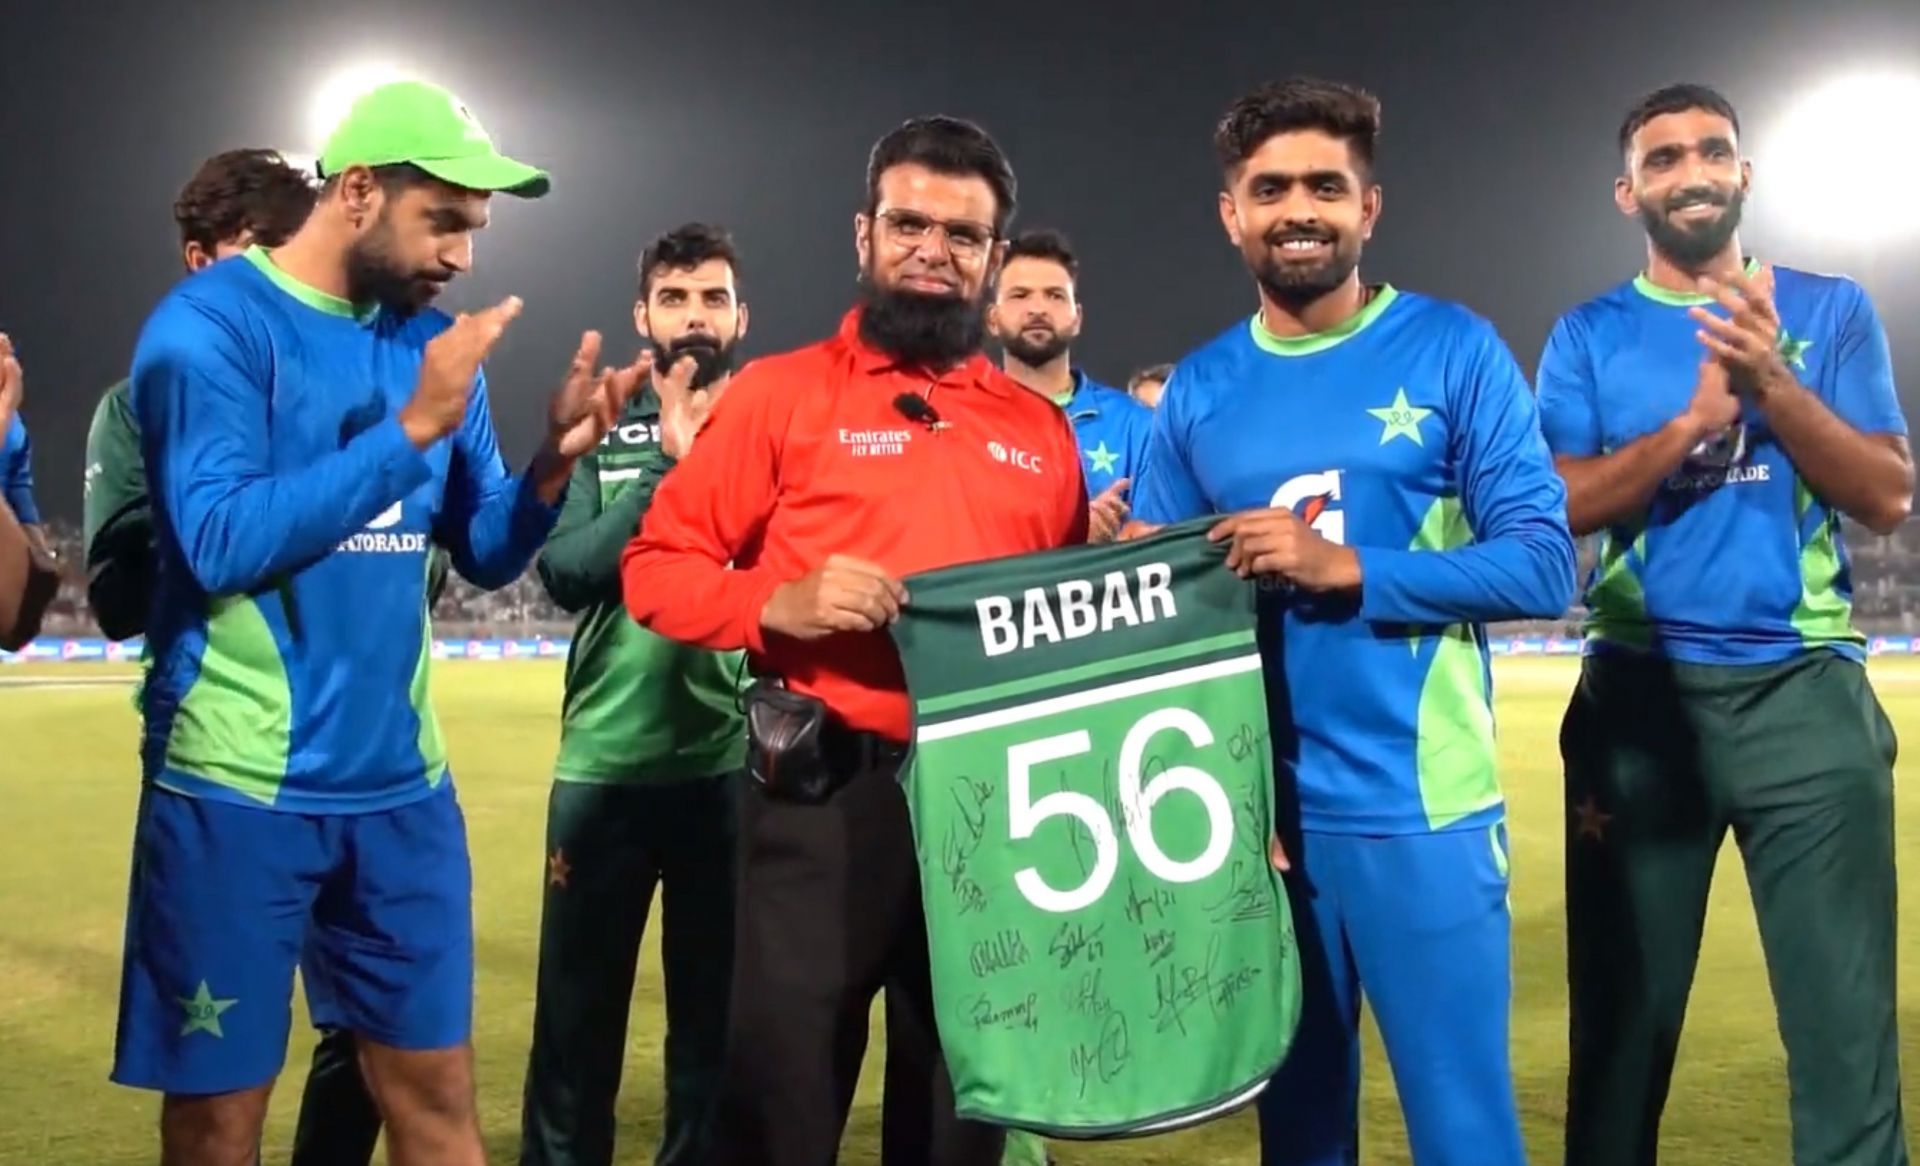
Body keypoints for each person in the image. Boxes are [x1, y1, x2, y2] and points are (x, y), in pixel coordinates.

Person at [112, 79, 643, 1166]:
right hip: (236, 788)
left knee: (437, 1096)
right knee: (218, 1119)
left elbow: (490, 548)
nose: (463, 254)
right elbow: (216, 541)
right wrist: (409, 429)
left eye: (476, 228)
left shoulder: (430, 346)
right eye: (442, 220)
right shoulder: (207, 330)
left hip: (401, 789)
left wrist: (553, 460)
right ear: (357, 190)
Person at [622, 114, 1124, 1166]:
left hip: (998, 818)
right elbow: (657, 569)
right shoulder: (779, 394)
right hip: (823, 802)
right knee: (780, 1111)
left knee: (960, 1121)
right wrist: (776, 603)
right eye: (909, 223)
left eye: (963, 234)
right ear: (864, 234)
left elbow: (1060, 633)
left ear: (993, 259)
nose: (932, 251)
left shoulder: (1038, 431)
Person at [1127, 78, 1575, 1166]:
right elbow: (1165, 624)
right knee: (1302, 1133)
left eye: (1326, 185)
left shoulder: (1453, 348)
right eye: (1269, 187)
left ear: (1368, 209)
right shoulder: (1197, 388)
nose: (1299, 207)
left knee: (1464, 1130)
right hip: (1265, 829)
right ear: (1231, 213)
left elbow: (1543, 561)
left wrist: (1348, 568)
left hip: (1422, 807)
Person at [1537, 82, 1912, 1166]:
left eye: (1712, 151)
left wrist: (1770, 383)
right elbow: (1555, 502)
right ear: (1628, 191)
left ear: (1745, 173)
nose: (1691, 171)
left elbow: (1886, 494)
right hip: (1639, 697)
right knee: (1619, 1033)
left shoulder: (1829, 309)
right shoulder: (1590, 334)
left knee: (1847, 1039)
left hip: (1804, 695)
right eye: (1663, 158)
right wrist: (1693, 423)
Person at [82, 145, 421, 1166]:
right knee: (219, 1086)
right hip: (223, 763)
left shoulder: (362, 385)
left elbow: (429, 572)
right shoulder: (146, 399)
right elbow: (114, 598)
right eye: (253, 257)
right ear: (200, 264)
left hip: (369, 760)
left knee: (374, 1039)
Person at [521, 222, 750, 1166]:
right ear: (641, 315)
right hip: (604, 771)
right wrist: (666, 463)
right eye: (674, 297)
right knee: (574, 1029)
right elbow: (566, 572)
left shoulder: (770, 430)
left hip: (726, 774)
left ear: (742, 315)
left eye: (711, 298)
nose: (694, 315)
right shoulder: (603, 430)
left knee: (714, 1035)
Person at [988, 228, 1151, 513]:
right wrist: (1074, 532)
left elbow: (1159, 539)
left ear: (1078, 319)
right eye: (1020, 295)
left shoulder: (1136, 427)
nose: (1037, 309)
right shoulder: (964, 421)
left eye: (1054, 296)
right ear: (992, 319)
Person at [0, 334, 58, 651]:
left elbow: (21, 497)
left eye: (9, 353)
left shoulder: (16, 429)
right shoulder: (8, 415)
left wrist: (42, 562)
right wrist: (6, 406)